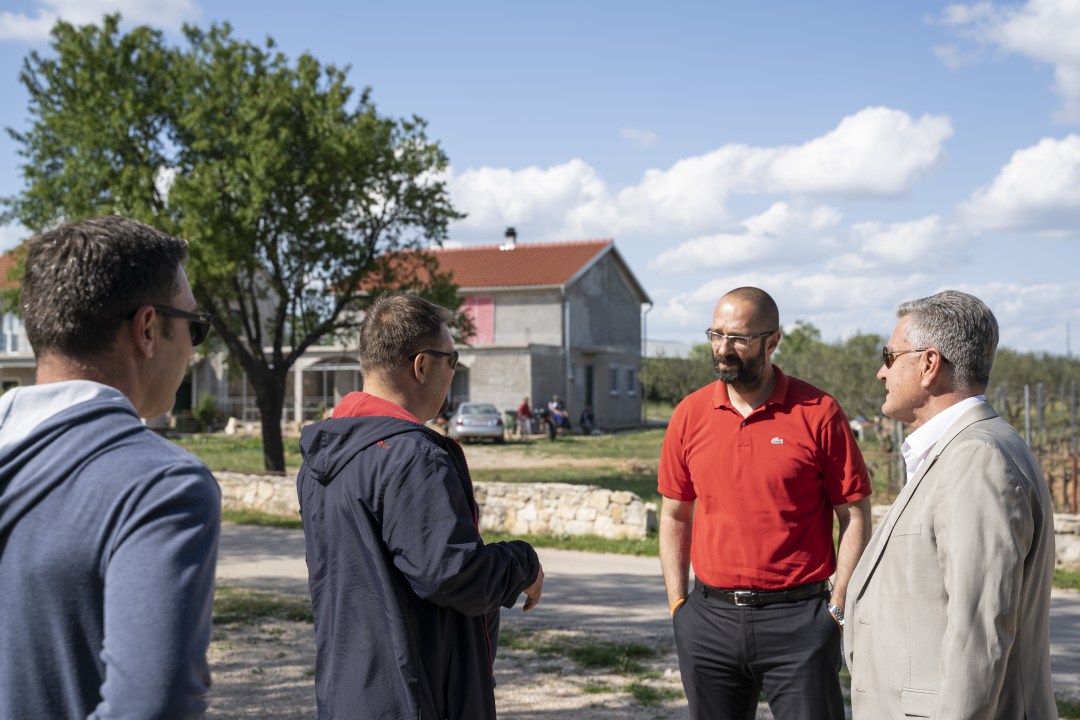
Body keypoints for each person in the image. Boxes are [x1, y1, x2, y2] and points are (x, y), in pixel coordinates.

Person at [0, 217, 220, 718]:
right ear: (147, 329)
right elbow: (150, 707)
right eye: (194, 327)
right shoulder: (161, 486)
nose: (191, 348)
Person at [298, 294, 544, 720]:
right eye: (453, 359)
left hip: (349, 690)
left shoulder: (324, 457)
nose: (453, 370)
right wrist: (523, 563)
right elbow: (453, 574)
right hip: (416, 696)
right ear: (422, 365)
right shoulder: (411, 456)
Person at [658, 286, 872, 720]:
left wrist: (837, 606)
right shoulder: (689, 414)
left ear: (772, 341)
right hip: (708, 621)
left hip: (800, 623)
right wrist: (680, 606)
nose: (723, 349)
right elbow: (674, 514)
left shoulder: (819, 412)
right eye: (715, 334)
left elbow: (854, 514)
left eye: (738, 338)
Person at [846, 291, 1056, 719]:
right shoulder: (969, 449)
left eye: (889, 356)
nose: (881, 372)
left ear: (928, 364)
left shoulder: (976, 458)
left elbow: (980, 629)